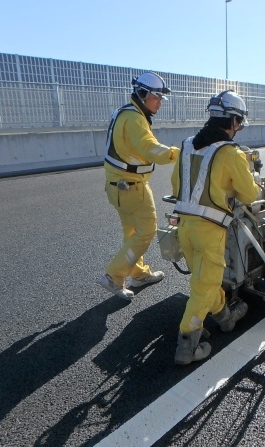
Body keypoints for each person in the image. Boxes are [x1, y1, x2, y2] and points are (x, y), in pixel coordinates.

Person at [171, 90, 259, 365]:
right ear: (232, 121)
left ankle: (225, 317)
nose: (240, 128)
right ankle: (187, 344)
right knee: (204, 286)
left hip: (185, 227)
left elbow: (178, 185)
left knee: (202, 280)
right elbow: (250, 195)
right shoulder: (231, 153)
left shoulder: (186, 145)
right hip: (210, 231)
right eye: (240, 123)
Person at [98, 72, 180, 300]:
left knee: (132, 232)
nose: (161, 102)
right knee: (146, 232)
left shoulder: (124, 113)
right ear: (143, 94)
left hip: (117, 187)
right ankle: (114, 276)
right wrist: (180, 154)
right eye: (157, 97)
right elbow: (150, 150)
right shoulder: (134, 119)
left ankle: (138, 273)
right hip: (133, 188)